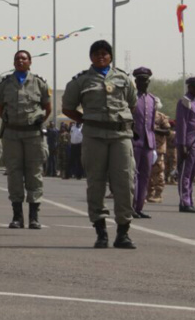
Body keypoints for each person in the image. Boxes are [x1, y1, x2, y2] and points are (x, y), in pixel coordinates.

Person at [61, 40, 138, 250]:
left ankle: (123, 232)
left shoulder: (124, 78)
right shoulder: (81, 81)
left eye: (104, 53)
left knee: (124, 181)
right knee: (96, 183)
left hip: (120, 134)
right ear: (91, 57)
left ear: (111, 56)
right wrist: (86, 119)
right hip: (94, 136)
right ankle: (101, 231)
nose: (101, 57)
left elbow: (132, 103)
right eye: (96, 54)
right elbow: (67, 107)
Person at [0, 50, 51, 229]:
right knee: (14, 174)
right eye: (17, 58)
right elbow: (0, 109)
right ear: (13, 62)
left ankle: (34, 216)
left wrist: (36, 120)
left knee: (34, 173)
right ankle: (17, 216)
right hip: (12, 134)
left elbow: (47, 108)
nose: (20, 61)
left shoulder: (39, 83)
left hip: (33, 135)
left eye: (24, 58)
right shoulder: (4, 84)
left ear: (30, 62)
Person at [174, 77, 195, 214]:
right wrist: (183, 144)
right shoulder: (184, 102)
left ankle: (189, 201)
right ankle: (184, 202)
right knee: (184, 174)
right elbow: (182, 124)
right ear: (189, 87)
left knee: (192, 175)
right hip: (188, 143)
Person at [130, 67, 156, 219]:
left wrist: (153, 146)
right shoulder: (131, 98)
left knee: (145, 176)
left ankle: (140, 206)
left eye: (145, 80)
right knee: (133, 175)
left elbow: (152, 124)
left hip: (148, 142)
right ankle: (131, 206)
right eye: (140, 80)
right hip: (134, 141)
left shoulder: (152, 100)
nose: (143, 83)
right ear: (135, 82)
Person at [147, 107, 172, 204]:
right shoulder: (145, 115)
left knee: (158, 171)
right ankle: (149, 194)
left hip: (158, 148)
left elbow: (167, 131)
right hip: (147, 147)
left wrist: (155, 129)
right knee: (147, 172)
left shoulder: (161, 117)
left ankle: (158, 194)